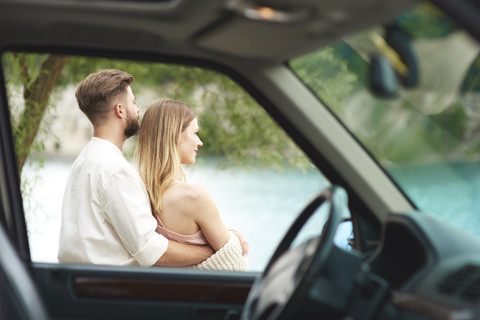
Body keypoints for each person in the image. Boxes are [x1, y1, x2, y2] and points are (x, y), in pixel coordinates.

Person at [58, 69, 215, 267]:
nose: (138, 110)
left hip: (81, 281)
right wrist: (212, 249)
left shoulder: (84, 161)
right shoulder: (114, 170)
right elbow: (152, 251)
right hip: (108, 290)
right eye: (133, 103)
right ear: (120, 110)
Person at [135, 99, 249, 271]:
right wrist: (232, 241)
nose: (200, 142)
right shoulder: (194, 196)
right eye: (195, 133)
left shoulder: (138, 193)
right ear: (175, 134)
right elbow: (236, 265)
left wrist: (229, 233)